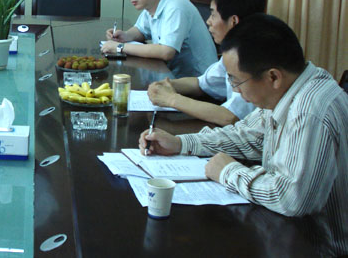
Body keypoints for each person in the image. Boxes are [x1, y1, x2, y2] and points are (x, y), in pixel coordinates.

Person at [139, 14, 348, 256]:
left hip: (316, 248)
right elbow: (247, 136)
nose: (235, 90)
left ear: (273, 77)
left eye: (236, 81)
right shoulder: (290, 88)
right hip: (283, 233)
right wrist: (180, 143)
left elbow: (291, 198)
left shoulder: (309, 111)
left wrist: (228, 171)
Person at [146, 0, 266, 125]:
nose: (208, 21)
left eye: (213, 14)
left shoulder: (253, 56)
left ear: (233, 21)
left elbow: (230, 117)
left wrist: (171, 99)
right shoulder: (234, 50)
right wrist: (166, 85)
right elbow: (201, 83)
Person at [101, 0, 217, 78]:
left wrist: (120, 47)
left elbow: (166, 52)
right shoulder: (151, 6)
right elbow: (141, 30)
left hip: (199, 81)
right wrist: (125, 35)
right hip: (171, 74)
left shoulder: (175, 7)